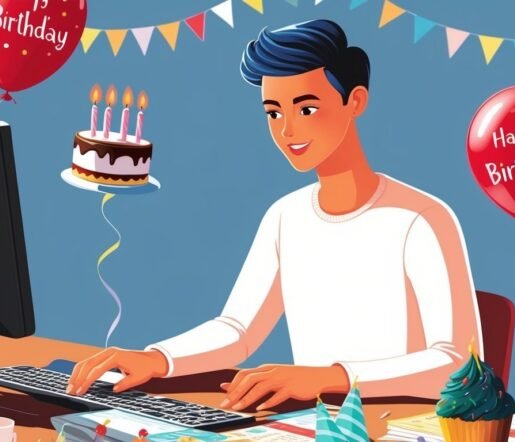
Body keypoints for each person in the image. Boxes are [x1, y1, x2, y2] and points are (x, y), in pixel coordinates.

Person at [67, 19, 482, 412]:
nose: (287, 131)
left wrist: (327, 377)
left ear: (354, 101)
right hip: (317, 422)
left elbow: (458, 367)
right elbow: (238, 330)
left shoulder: (421, 219)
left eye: (306, 109)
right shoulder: (287, 216)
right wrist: (158, 359)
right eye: (273, 112)